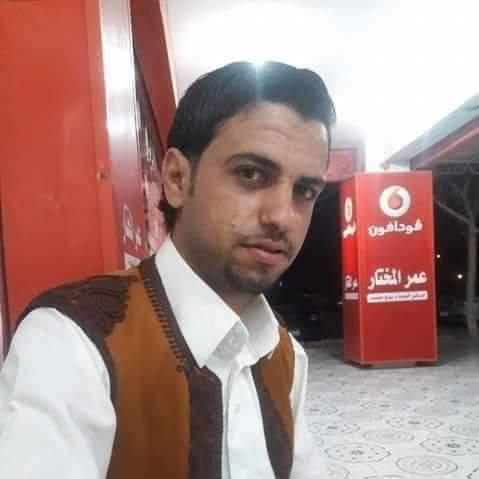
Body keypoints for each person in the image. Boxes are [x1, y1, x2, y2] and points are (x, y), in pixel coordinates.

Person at [0, 61, 335, 478]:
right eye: (251, 174)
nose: (282, 216)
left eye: (305, 191)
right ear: (177, 178)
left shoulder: (284, 353)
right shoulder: (73, 342)